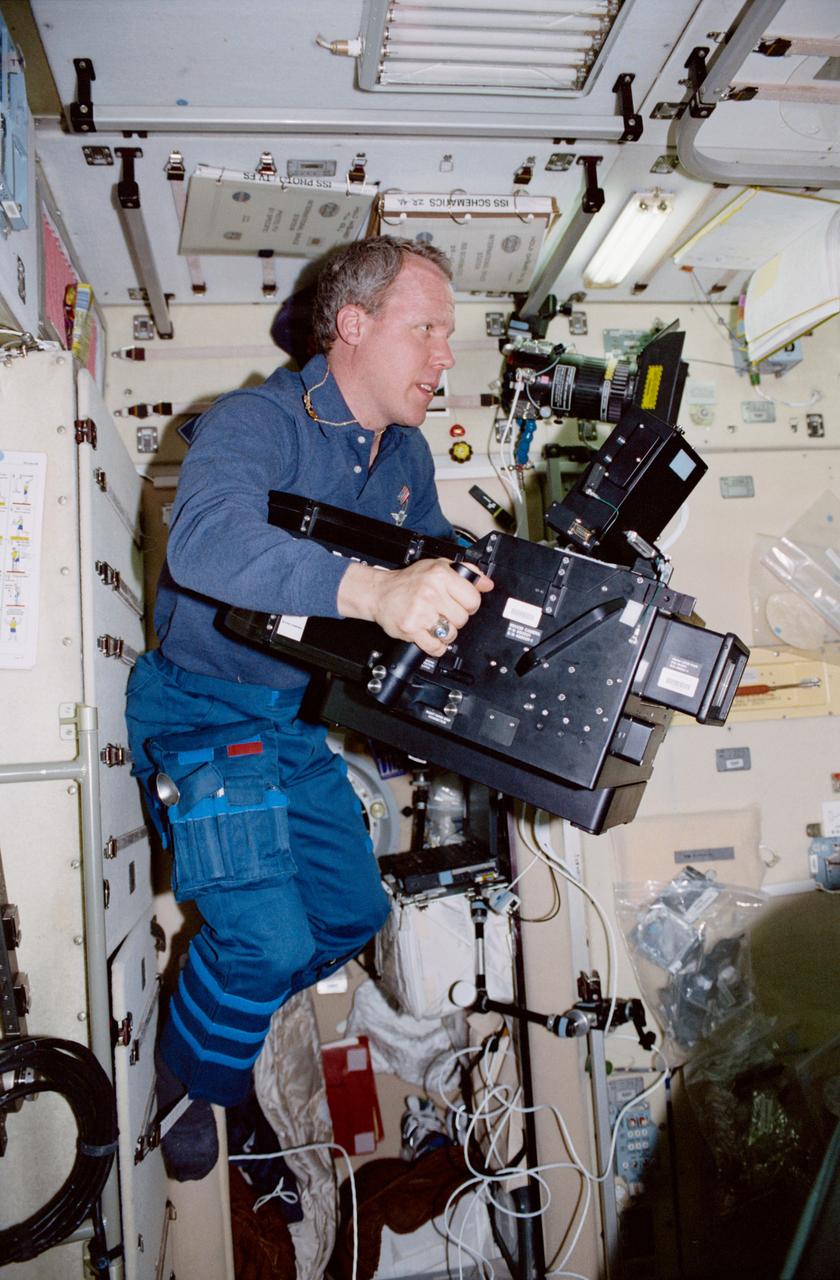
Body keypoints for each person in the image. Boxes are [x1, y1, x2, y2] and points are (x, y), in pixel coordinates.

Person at [125, 235, 493, 1179]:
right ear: (353, 326)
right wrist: (375, 592)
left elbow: (428, 546)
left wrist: (488, 577)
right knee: (270, 937)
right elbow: (206, 543)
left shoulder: (404, 452)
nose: (445, 356)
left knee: (350, 913)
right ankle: (193, 1073)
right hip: (204, 712)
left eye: (448, 336)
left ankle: (227, 1015)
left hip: (290, 727)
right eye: (427, 331)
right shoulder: (255, 420)